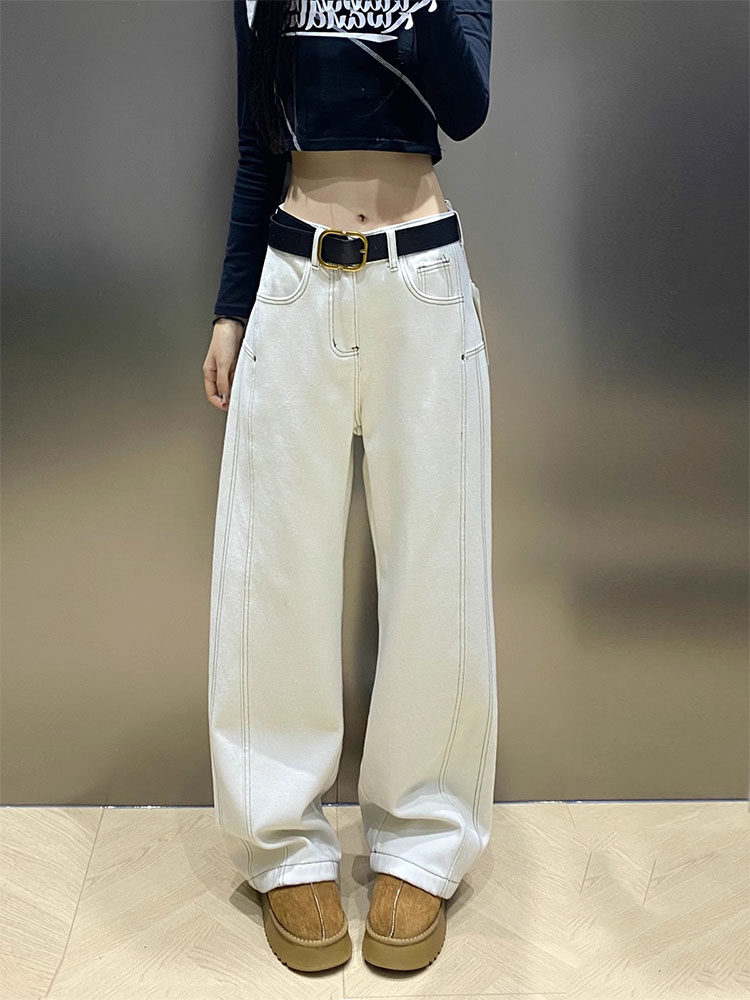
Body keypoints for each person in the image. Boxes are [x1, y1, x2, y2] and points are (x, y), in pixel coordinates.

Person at [203, 0, 497, 975]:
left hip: (422, 282)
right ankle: (283, 840)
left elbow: (466, 108)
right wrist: (231, 308)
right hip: (295, 280)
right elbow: (258, 144)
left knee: (437, 574)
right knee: (275, 575)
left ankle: (424, 838)